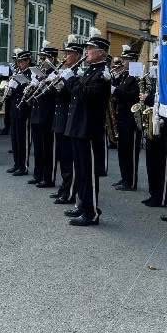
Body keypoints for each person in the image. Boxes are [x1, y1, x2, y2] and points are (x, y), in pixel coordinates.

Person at [63, 28, 111, 226]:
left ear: (101, 52)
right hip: (78, 128)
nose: (87, 52)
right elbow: (74, 94)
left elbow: (86, 95)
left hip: (89, 130)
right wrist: (70, 79)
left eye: (90, 48)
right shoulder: (90, 71)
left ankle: (92, 213)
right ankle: (83, 206)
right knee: (81, 171)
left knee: (89, 173)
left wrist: (72, 78)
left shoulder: (103, 74)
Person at [50, 35, 84, 204]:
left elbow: (74, 96)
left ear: (77, 55)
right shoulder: (65, 71)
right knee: (63, 157)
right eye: (66, 53)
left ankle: (70, 192)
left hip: (69, 120)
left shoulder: (78, 73)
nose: (65, 57)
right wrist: (54, 82)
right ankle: (64, 188)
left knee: (70, 159)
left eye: (69, 53)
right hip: (60, 119)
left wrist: (65, 80)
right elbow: (59, 95)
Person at [28, 41, 59, 188]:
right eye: (41, 58)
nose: (41, 61)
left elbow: (56, 94)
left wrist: (46, 83)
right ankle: (38, 174)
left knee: (48, 148)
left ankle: (48, 177)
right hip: (36, 113)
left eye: (44, 58)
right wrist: (32, 85)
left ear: (52, 58)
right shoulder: (40, 73)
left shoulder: (56, 73)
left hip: (48, 115)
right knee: (38, 148)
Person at [112, 46, 141, 191]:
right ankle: (124, 178)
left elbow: (132, 96)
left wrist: (115, 90)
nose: (123, 62)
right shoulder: (125, 75)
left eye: (126, 59)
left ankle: (131, 181)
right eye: (123, 59)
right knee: (123, 150)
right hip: (122, 117)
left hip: (131, 120)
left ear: (133, 60)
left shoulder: (137, 75)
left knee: (131, 152)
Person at [142, 52, 166, 207]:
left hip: (162, 126)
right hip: (152, 122)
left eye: (157, 62)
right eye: (154, 62)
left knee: (160, 164)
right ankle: (153, 193)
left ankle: (160, 196)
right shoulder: (153, 80)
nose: (155, 65)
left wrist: (147, 98)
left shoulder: (165, 80)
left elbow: (160, 100)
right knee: (151, 162)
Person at [6, 49, 33, 177]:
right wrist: (9, 88)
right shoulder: (17, 73)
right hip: (14, 109)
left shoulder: (31, 74)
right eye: (18, 61)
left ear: (28, 61)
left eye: (22, 61)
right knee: (15, 139)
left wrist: (18, 86)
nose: (19, 64)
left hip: (24, 111)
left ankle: (24, 166)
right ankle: (17, 164)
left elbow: (29, 91)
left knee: (23, 140)